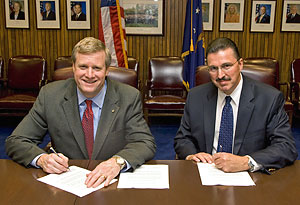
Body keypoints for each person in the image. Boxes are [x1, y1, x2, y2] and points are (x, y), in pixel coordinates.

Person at [6, 37, 156, 188]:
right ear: (73, 67)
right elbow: (16, 141)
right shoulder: (50, 95)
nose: (89, 75)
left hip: (111, 184)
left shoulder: (128, 97)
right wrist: (42, 159)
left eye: (97, 68)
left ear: (107, 70)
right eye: (83, 67)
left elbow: (144, 142)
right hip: (66, 183)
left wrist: (117, 161)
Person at [174, 37, 298, 173]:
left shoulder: (269, 99)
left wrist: (246, 162)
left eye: (226, 66)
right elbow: (183, 138)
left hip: (250, 177)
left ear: (240, 64)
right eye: (213, 68)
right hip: (206, 173)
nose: (220, 75)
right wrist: (192, 155)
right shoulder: (196, 97)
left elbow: (286, 146)